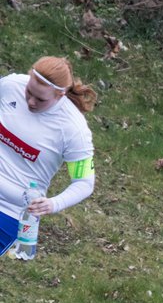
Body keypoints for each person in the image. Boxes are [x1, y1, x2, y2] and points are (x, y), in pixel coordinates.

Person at [0, 56, 97, 257]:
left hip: (10, 211)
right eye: (29, 92)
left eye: (41, 99)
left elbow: (84, 182)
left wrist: (53, 204)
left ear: (60, 94)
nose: (31, 102)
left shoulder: (74, 130)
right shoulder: (10, 86)